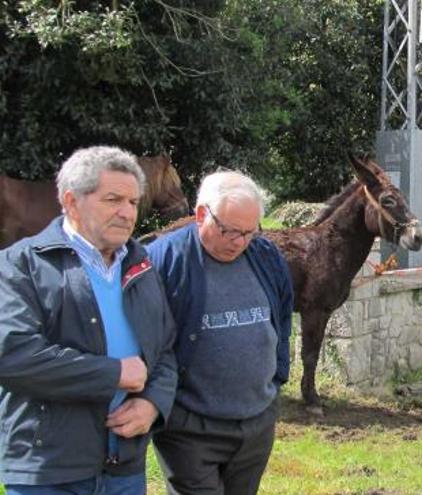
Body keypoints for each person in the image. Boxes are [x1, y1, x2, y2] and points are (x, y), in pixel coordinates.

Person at [0, 146, 178, 494]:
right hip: (50, 468)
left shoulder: (141, 267)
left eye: (132, 201)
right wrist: (114, 373)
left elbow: (165, 349)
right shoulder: (19, 265)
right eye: (113, 200)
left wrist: (153, 402)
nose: (128, 213)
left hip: (124, 467)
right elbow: (13, 356)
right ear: (71, 201)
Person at [146, 171, 294, 495]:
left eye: (249, 232)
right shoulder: (164, 261)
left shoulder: (266, 257)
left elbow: (282, 320)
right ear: (201, 215)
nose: (239, 242)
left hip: (256, 423)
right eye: (229, 231)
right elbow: (148, 343)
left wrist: (277, 378)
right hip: (190, 428)